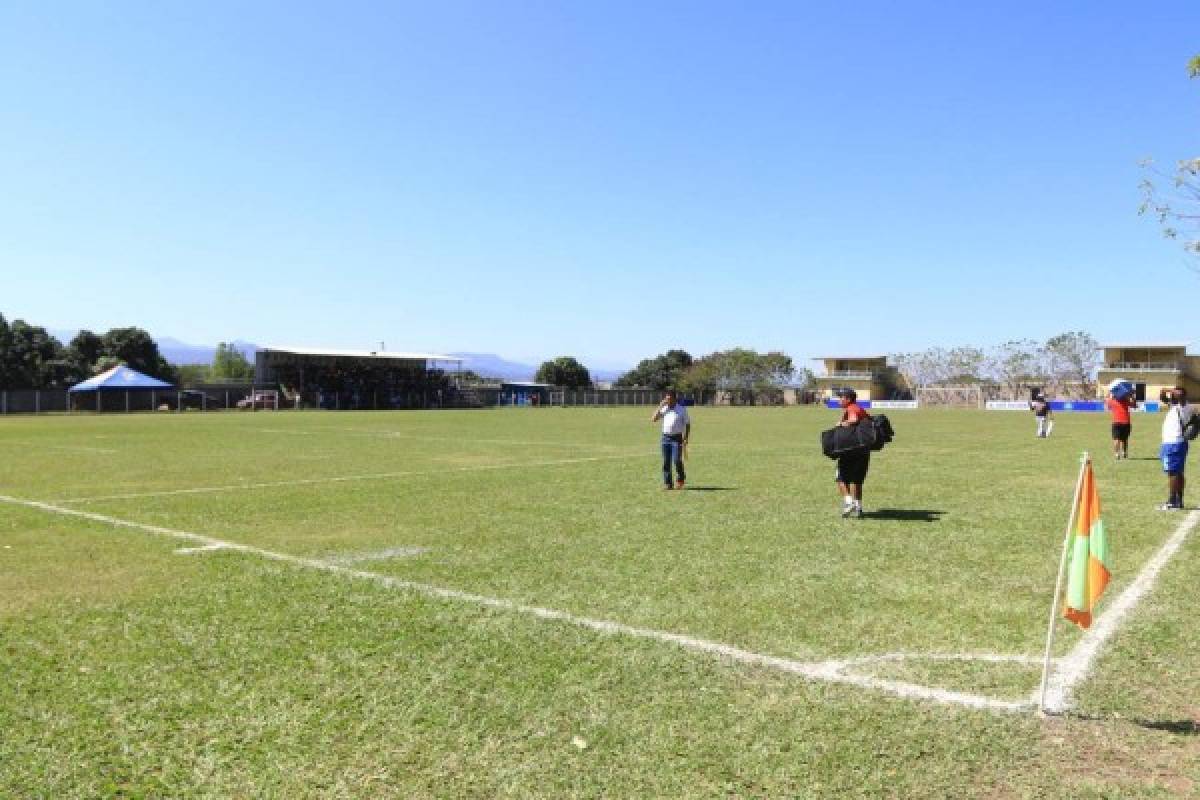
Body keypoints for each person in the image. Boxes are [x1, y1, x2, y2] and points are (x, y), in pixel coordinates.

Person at [1158, 386, 1196, 511]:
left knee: (1173, 472)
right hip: (1173, 443)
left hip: (1174, 443)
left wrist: (1172, 390)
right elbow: (1162, 397)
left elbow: (1180, 396)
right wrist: (1164, 390)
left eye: (1176, 393)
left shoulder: (1185, 406)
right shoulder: (1174, 406)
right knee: (1178, 472)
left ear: (1183, 395)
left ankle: (1172, 501)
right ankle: (1179, 501)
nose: (1173, 395)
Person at [835, 388, 871, 518]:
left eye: (841, 397)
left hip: (852, 449)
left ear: (848, 399)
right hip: (864, 450)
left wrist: (841, 423)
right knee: (857, 479)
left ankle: (849, 502)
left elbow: (854, 420)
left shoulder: (852, 408)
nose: (839, 400)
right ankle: (859, 508)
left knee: (840, 477)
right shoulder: (860, 408)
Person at [652, 390, 690, 490]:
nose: (666, 400)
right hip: (665, 438)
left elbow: (687, 424)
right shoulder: (664, 408)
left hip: (677, 438)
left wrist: (686, 438)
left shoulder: (682, 409)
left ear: (674, 398)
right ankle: (668, 484)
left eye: (668, 398)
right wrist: (660, 406)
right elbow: (653, 419)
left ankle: (681, 479)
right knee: (666, 462)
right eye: (666, 398)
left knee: (677, 460)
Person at [1106, 385, 1136, 460]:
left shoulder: (1112, 401)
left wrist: (1110, 393)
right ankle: (1124, 452)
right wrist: (1132, 396)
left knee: (1116, 439)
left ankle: (1117, 454)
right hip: (1126, 422)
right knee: (1124, 439)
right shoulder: (1126, 401)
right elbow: (1134, 405)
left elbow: (1107, 402)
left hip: (1116, 422)